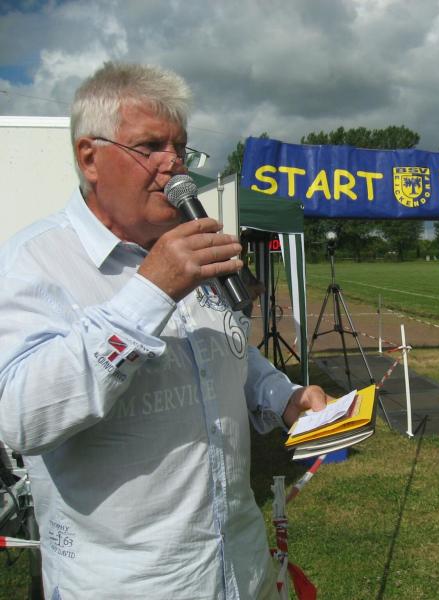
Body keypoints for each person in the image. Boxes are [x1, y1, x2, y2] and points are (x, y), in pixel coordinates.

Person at [0, 62, 332, 599]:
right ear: (89, 158)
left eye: (180, 147)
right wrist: (150, 292)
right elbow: (21, 418)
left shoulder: (188, 244)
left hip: (242, 570)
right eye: (150, 146)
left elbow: (225, 350)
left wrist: (283, 395)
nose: (173, 165)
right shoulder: (33, 262)